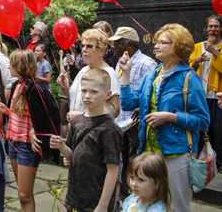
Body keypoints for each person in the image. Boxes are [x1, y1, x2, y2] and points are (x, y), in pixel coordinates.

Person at [119, 23, 210, 211]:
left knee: (176, 206)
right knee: (151, 205)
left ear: (177, 46)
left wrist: (170, 117)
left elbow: (202, 120)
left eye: (162, 43)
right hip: (149, 154)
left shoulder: (189, 78)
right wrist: (125, 75)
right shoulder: (152, 75)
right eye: (156, 42)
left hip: (176, 154)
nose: (156, 46)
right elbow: (128, 104)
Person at [50, 69, 122, 212]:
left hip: (96, 199)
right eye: (84, 91)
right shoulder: (77, 122)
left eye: (94, 92)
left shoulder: (109, 129)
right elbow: (72, 156)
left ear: (107, 95)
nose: (87, 96)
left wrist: (102, 205)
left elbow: (113, 170)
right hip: (75, 197)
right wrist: (61, 146)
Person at [0, 49, 59, 212]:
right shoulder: (16, 85)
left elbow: (44, 117)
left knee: (25, 194)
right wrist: (7, 111)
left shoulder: (35, 88)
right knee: (21, 192)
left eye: (12, 64)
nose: (9, 67)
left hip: (26, 145)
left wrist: (33, 131)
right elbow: (23, 114)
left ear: (20, 66)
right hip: (13, 140)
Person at [109, 26, 157, 197]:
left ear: (129, 45)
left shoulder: (147, 63)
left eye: (117, 43)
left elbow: (153, 91)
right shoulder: (121, 62)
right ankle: (122, 193)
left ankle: (135, 193)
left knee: (134, 160)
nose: (114, 47)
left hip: (135, 122)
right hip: (120, 120)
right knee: (121, 159)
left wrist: (140, 105)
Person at [57, 29, 121, 125]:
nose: (84, 50)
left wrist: (83, 115)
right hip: (78, 130)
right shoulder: (83, 70)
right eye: (83, 46)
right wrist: (66, 88)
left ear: (102, 51)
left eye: (89, 46)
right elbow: (77, 100)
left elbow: (115, 110)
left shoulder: (108, 73)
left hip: (96, 132)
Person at [189, 15, 222, 171]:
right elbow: (189, 69)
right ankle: (200, 161)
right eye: (210, 26)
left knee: (217, 130)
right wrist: (195, 62)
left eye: (216, 26)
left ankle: (219, 163)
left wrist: (215, 52)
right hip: (199, 96)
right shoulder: (197, 47)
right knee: (200, 130)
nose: (213, 30)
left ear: (221, 29)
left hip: (217, 97)